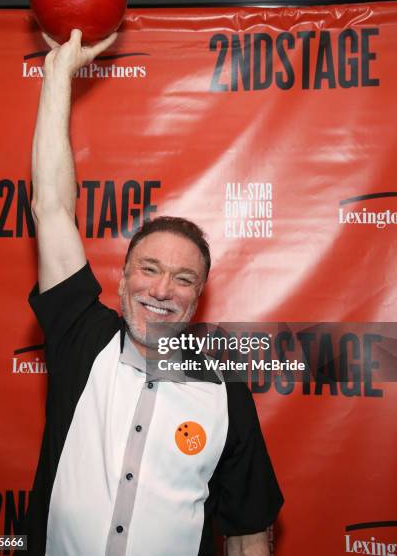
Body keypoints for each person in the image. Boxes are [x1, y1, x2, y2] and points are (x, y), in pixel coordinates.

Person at [23, 28, 283, 556]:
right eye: (149, 269)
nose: (162, 288)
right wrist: (56, 78)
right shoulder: (82, 337)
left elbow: (249, 530)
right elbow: (51, 206)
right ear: (121, 279)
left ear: (198, 297)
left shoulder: (225, 396)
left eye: (183, 279)